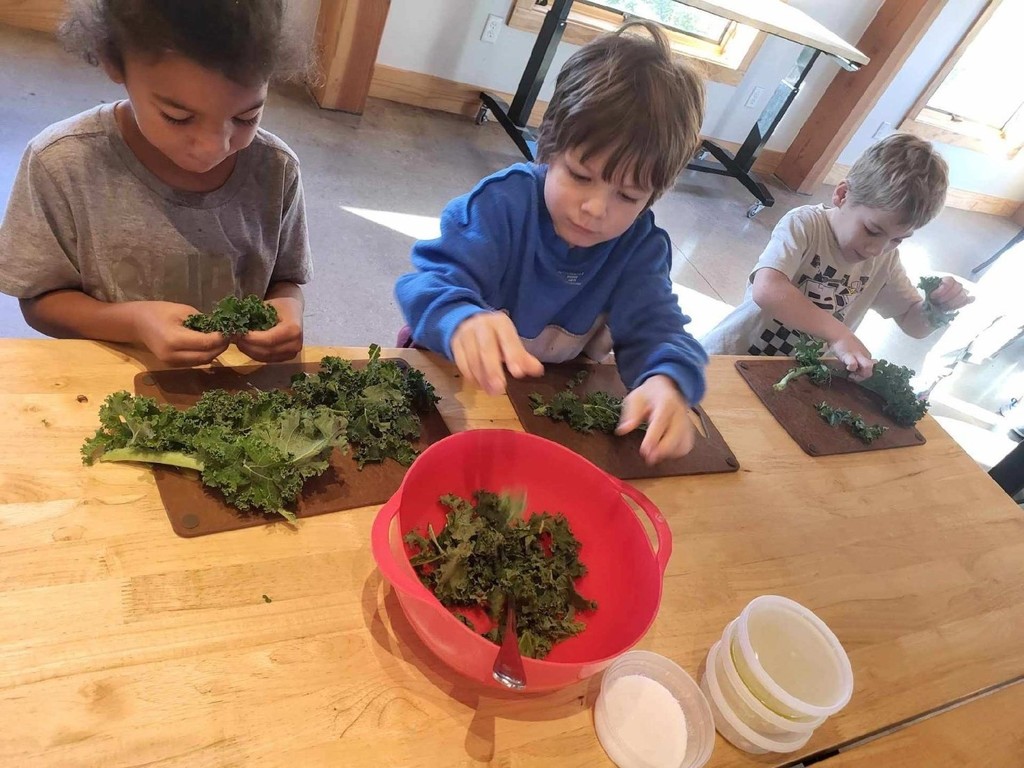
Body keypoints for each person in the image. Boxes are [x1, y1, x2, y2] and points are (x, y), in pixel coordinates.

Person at [395, 21, 708, 464]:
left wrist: (668, 380)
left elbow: (660, 331)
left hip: (530, 406)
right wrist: (460, 318)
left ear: (653, 196)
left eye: (628, 195)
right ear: (549, 148)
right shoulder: (502, 204)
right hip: (446, 381)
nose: (596, 208)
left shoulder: (640, 247)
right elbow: (424, 284)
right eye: (581, 176)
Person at [0, 0, 312, 366]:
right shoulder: (60, 163)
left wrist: (287, 310)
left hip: (230, 387)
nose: (214, 146)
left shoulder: (277, 170)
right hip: (111, 375)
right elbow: (39, 302)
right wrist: (133, 323)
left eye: (246, 117)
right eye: (178, 117)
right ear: (113, 61)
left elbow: (286, 280)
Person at [701, 133, 972, 379]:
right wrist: (839, 335)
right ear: (842, 195)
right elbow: (767, 289)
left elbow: (915, 325)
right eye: (872, 230)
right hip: (733, 357)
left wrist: (937, 308)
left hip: (794, 378)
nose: (877, 249)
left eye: (898, 239)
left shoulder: (886, 261)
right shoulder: (805, 224)